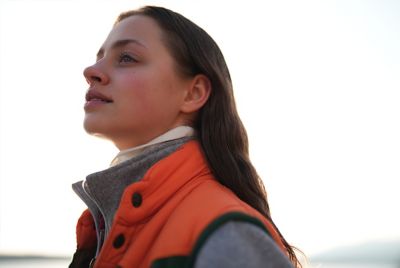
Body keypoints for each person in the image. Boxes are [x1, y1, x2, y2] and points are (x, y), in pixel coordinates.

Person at [69, 5, 301, 268]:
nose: (91, 71)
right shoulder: (100, 225)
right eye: (99, 57)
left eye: (126, 58)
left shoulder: (225, 235)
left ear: (193, 93)